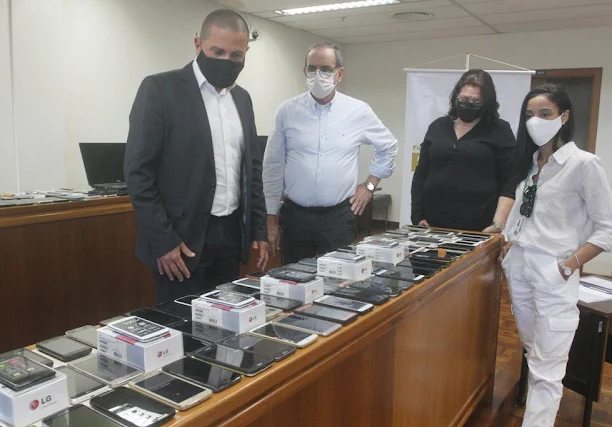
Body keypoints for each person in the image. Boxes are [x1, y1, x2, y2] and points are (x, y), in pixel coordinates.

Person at [124, 9, 268, 303]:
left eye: (236, 55)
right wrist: (163, 240)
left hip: (230, 237)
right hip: (179, 241)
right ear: (198, 44)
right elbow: (138, 174)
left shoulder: (242, 99)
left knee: (225, 321)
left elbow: (251, 168)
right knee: (181, 325)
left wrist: (259, 227)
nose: (226, 61)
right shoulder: (160, 90)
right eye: (217, 51)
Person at [500, 83, 612, 427]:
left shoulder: (584, 164)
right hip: (520, 268)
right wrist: (506, 240)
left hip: (554, 271)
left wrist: (567, 266)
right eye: (529, 114)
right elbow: (524, 215)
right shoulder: (531, 164)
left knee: (548, 368)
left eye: (545, 114)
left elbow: (607, 228)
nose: (535, 121)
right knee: (536, 354)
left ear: (564, 117)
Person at [262, 42, 398, 264]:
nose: (318, 75)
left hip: (338, 219)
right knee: (294, 280)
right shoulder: (287, 111)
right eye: (312, 69)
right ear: (304, 71)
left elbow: (388, 146)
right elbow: (273, 166)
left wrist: (369, 186)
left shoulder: (358, 111)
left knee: (338, 280)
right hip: (295, 219)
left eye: (325, 69)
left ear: (339, 74)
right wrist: (270, 217)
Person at [411, 69, 516, 232]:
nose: (469, 104)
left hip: (480, 225)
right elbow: (421, 173)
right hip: (431, 222)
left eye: (476, 101)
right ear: (456, 97)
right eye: (464, 99)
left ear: (487, 103)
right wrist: (417, 215)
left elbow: (509, 181)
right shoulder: (437, 126)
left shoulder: (500, 130)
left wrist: (498, 225)